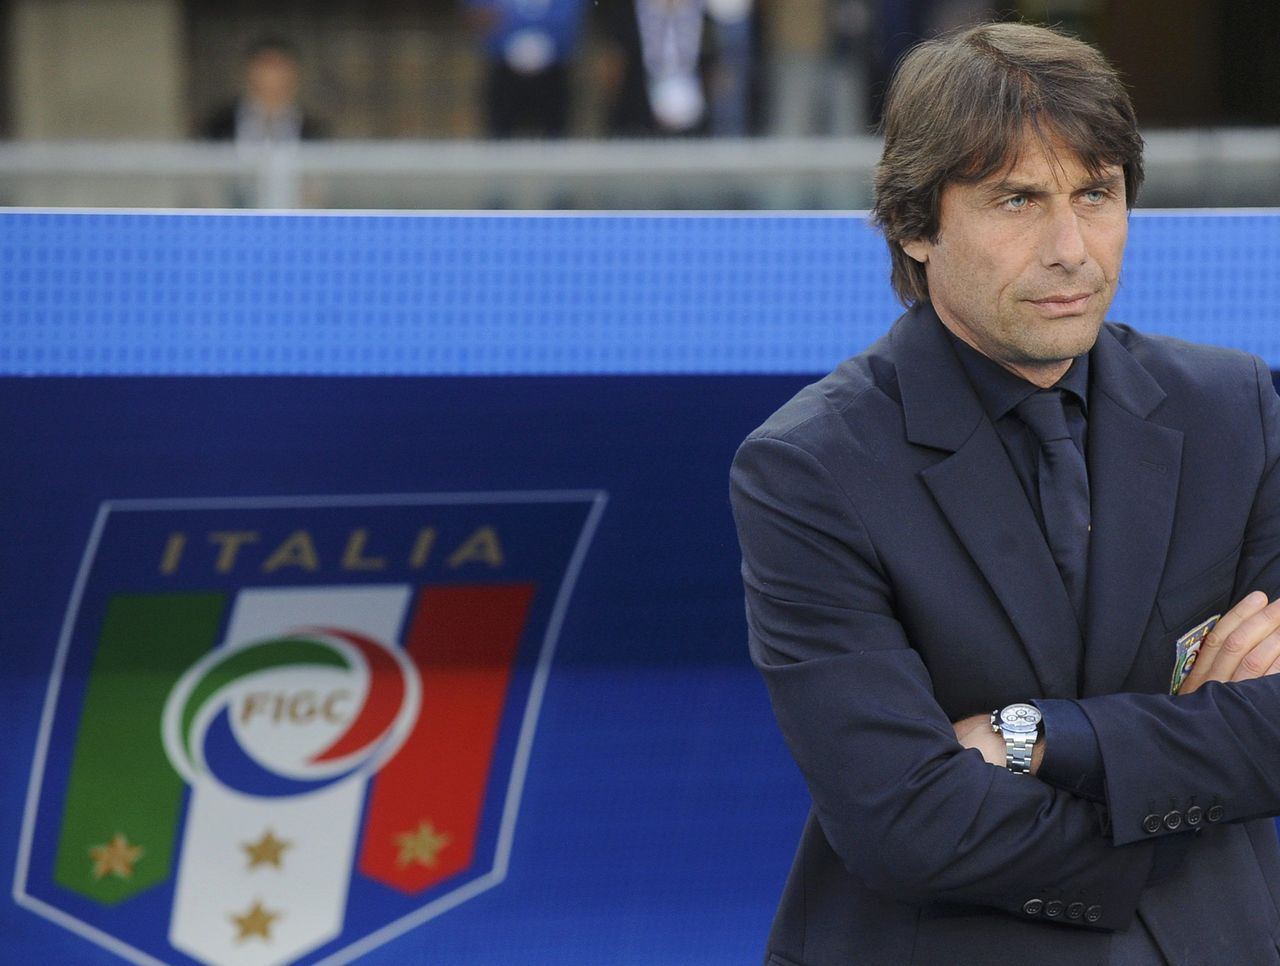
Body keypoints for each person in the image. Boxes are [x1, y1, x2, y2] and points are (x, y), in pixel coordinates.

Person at [730, 21, 1280, 966]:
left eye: (1096, 194)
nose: (1071, 249)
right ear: (915, 223)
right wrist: (1183, 782)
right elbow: (906, 821)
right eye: (1017, 200)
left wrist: (1032, 737)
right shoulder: (809, 467)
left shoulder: (1237, 410)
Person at [199, 37, 326, 145]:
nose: (271, 76)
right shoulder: (217, 128)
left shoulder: (315, 132)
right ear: (248, 73)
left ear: (294, 75)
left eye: (278, 67)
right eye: (265, 66)